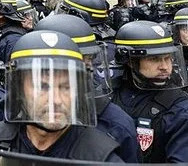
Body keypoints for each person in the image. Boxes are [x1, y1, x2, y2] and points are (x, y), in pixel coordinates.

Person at [0, 30, 123, 162]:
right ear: (19, 91)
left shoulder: (101, 159)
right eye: (42, 87)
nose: (56, 100)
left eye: (66, 87)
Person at [34, 14, 140, 163]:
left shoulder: (115, 123)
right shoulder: (14, 113)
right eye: (76, 61)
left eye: (89, 60)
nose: (87, 68)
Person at [111, 21, 188, 163]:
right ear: (130, 61)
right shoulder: (108, 97)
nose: (165, 67)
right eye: (154, 59)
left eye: (168, 58)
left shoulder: (183, 113)